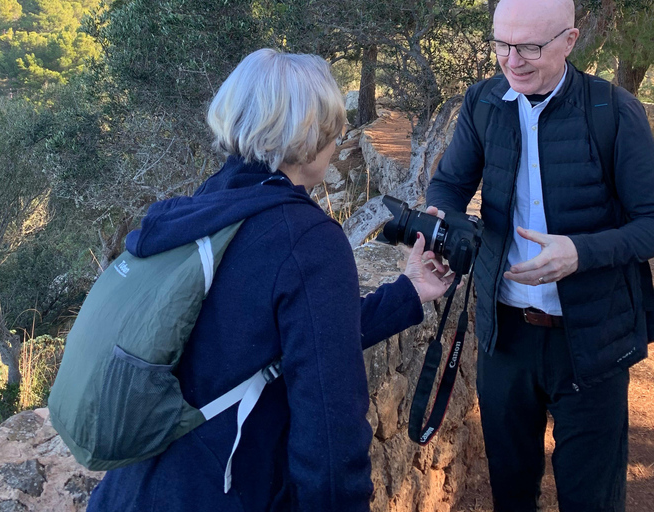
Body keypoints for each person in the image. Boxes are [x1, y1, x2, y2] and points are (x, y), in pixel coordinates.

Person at [86, 48, 454, 512]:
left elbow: (302, 336)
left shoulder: (201, 209)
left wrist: (409, 292)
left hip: (133, 488)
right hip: (223, 493)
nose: (338, 142)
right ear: (309, 136)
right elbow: (330, 424)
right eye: (333, 131)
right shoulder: (307, 241)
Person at [426, 0, 654, 511]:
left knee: (590, 499)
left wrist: (581, 252)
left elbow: (651, 223)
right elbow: (447, 185)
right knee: (511, 492)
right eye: (502, 44)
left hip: (592, 342)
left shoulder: (613, 111)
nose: (512, 59)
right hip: (505, 339)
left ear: (570, 41)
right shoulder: (483, 102)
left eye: (529, 46)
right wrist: (443, 224)